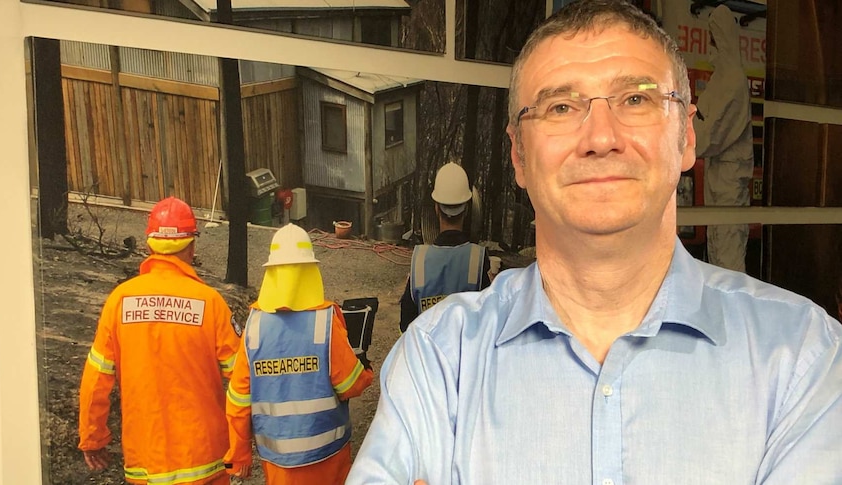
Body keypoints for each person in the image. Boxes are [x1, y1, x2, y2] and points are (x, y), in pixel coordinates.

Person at [348, 1, 842, 484]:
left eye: (636, 98)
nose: (600, 137)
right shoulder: (438, 360)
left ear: (686, 137)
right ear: (519, 155)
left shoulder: (804, 358)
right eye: (560, 107)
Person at [79, 196, 241, 485]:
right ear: (191, 246)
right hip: (203, 458)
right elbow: (242, 377)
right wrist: (245, 444)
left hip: (145, 458)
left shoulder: (120, 301)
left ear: (149, 246)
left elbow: (96, 378)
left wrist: (93, 437)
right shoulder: (210, 303)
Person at [223, 223, 374, 485]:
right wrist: (367, 372)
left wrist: (239, 453)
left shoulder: (254, 328)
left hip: (277, 464)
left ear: (271, 273)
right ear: (310, 270)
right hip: (328, 459)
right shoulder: (325, 323)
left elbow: (237, 400)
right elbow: (351, 384)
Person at [694, 4, 755, 272]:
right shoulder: (722, 78)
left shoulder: (732, 81)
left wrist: (681, 142)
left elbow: (710, 134)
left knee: (729, 259)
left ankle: (734, 314)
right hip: (719, 180)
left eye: (713, 35)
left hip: (729, 185)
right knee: (717, 253)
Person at [398, 162, 491, 333]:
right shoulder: (477, 260)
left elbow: (405, 327)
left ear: (436, 208)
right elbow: (488, 325)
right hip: (465, 358)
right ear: (467, 208)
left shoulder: (419, 261)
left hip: (426, 358)